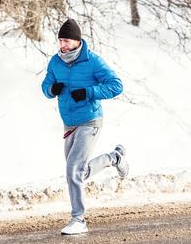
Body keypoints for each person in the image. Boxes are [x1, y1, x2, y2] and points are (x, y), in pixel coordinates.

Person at [41, 18, 129, 235]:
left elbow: (116, 86)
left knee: (73, 170)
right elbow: (45, 87)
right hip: (68, 123)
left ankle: (78, 219)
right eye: (60, 40)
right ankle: (114, 158)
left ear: (78, 41)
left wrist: (90, 92)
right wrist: (52, 89)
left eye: (67, 41)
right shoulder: (55, 62)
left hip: (90, 121)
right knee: (78, 172)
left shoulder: (93, 62)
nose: (63, 45)